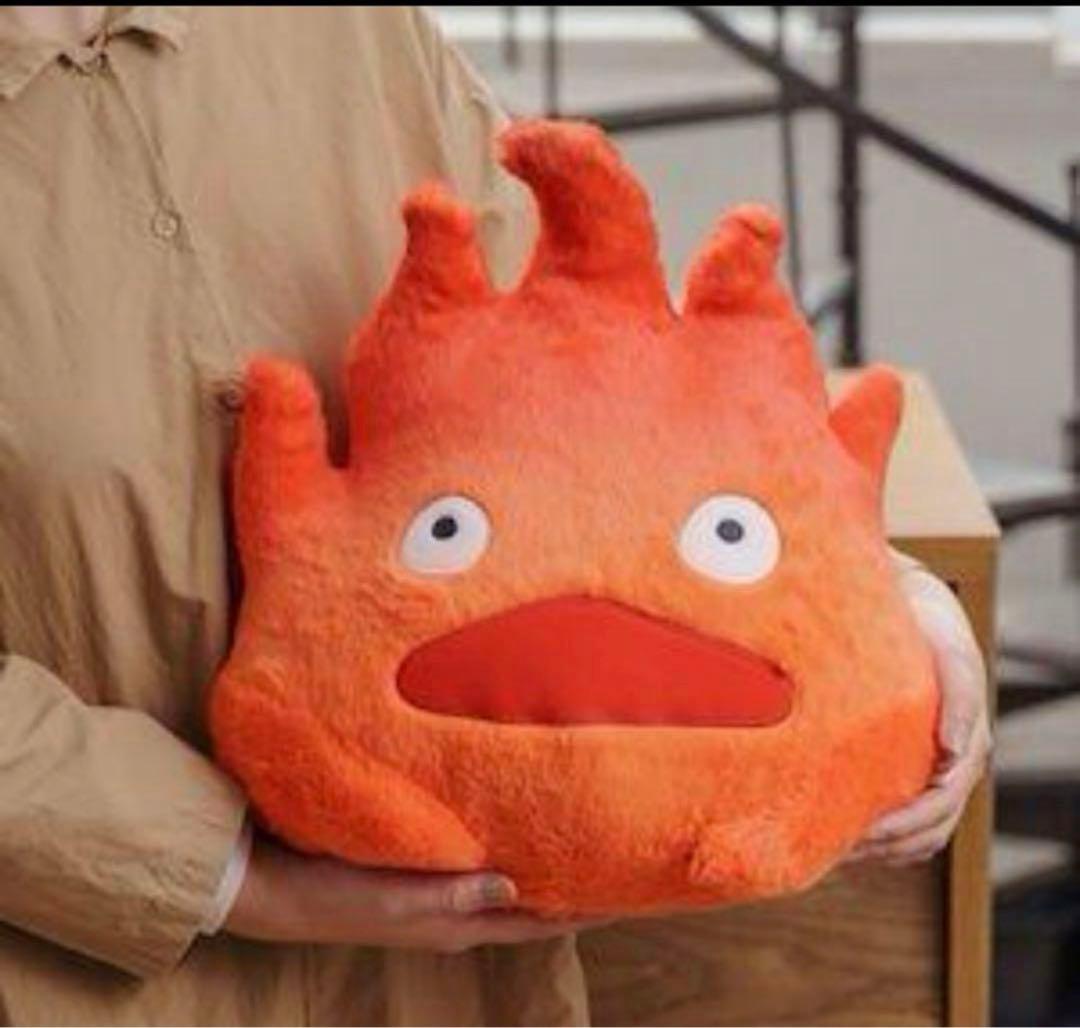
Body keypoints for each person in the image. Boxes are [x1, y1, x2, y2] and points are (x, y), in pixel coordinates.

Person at [0, 6, 991, 1026]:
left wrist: (866, 609)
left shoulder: (355, 30)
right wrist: (232, 875)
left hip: (443, 988)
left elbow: (581, 396)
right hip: (79, 985)